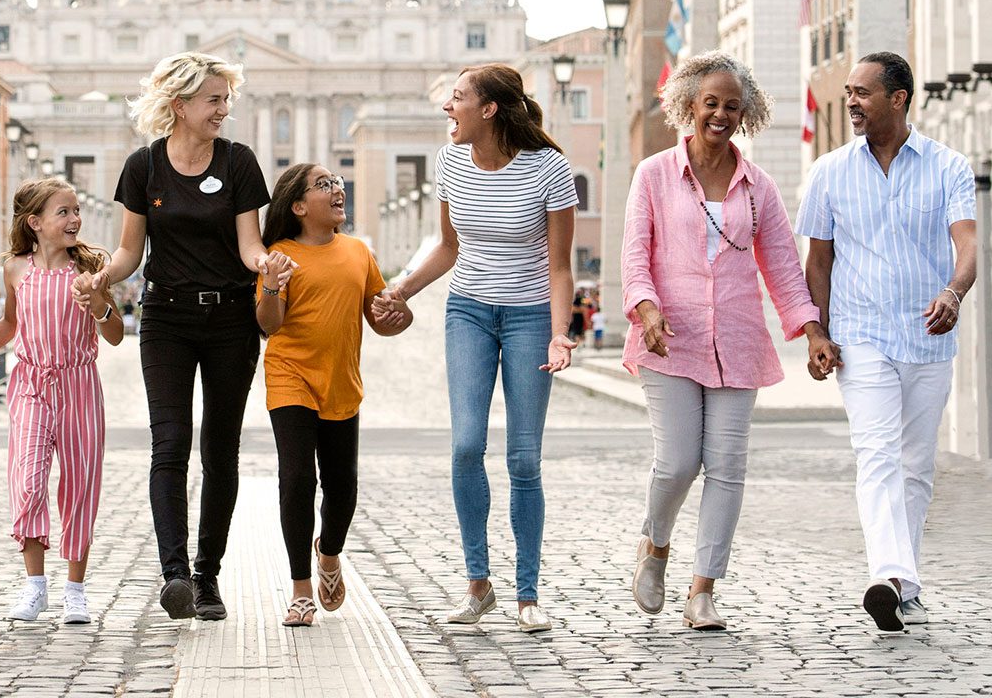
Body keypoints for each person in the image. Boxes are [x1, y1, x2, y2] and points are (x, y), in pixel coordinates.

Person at [621, 52, 837, 631]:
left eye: (732, 106)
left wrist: (813, 330)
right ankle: (655, 544)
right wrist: (647, 312)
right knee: (677, 462)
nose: (720, 114)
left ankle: (703, 591)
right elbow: (636, 258)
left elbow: (785, 271)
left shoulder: (758, 187)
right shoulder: (654, 175)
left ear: (746, 115)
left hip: (739, 341)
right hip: (669, 339)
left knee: (727, 466)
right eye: (711, 102)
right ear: (690, 104)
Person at [74, 52, 287, 620]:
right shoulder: (143, 167)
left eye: (226, 99)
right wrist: (102, 274)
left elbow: (249, 245)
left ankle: (207, 576)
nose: (224, 109)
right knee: (168, 445)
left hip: (230, 321)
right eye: (214, 100)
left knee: (220, 450)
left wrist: (268, 265)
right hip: (165, 318)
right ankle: (175, 577)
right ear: (180, 105)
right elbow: (129, 251)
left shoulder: (239, 162)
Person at [374, 64, 577, 631]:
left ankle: (528, 595)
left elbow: (560, 267)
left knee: (523, 458)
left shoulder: (549, 170)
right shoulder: (449, 164)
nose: (448, 108)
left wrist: (561, 332)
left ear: (488, 109)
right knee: (466, 447)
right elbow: (447, 247)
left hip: (531, 316)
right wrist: (401, 288)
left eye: (457, 98)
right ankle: (478, 583)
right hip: (467, 311)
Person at [798, 51, 976, 633]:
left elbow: (968, 248)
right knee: (876, 455)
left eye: (863, 92)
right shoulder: (829, 171)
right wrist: (817, 331)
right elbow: (818, 260)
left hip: (927, 336)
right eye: (848, 91)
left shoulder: (948, 167)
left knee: (916, 466)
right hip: (862, 334)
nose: (851, 101)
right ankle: (888, 574)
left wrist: (953, 293)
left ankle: (904, 583)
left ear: (898, 99)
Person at [255, 163, 412, 627]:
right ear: (299, 206)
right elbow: (269, 325)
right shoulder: (278, 255)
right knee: (298, 478)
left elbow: (381, 319)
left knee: (342, 486)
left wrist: (398, 318)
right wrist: (270, 284)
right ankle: (301, 589)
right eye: (324, 185)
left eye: (338, 183)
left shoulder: (359, 253)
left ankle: (329, 552)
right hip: (289, 376)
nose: (337, 189)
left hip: (342, 382)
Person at [0, 177, 123, 624]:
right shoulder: (15, 270)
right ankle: (35, 585)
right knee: (27, 478)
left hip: (79, 385)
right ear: (35, 222)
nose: (75, 219)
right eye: (63, 212)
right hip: (29, 385)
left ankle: (75, 589)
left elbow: (116, 334)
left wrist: (98, 302)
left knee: (80, 484)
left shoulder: (90, 269)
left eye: (76, 210)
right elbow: (11, 322)